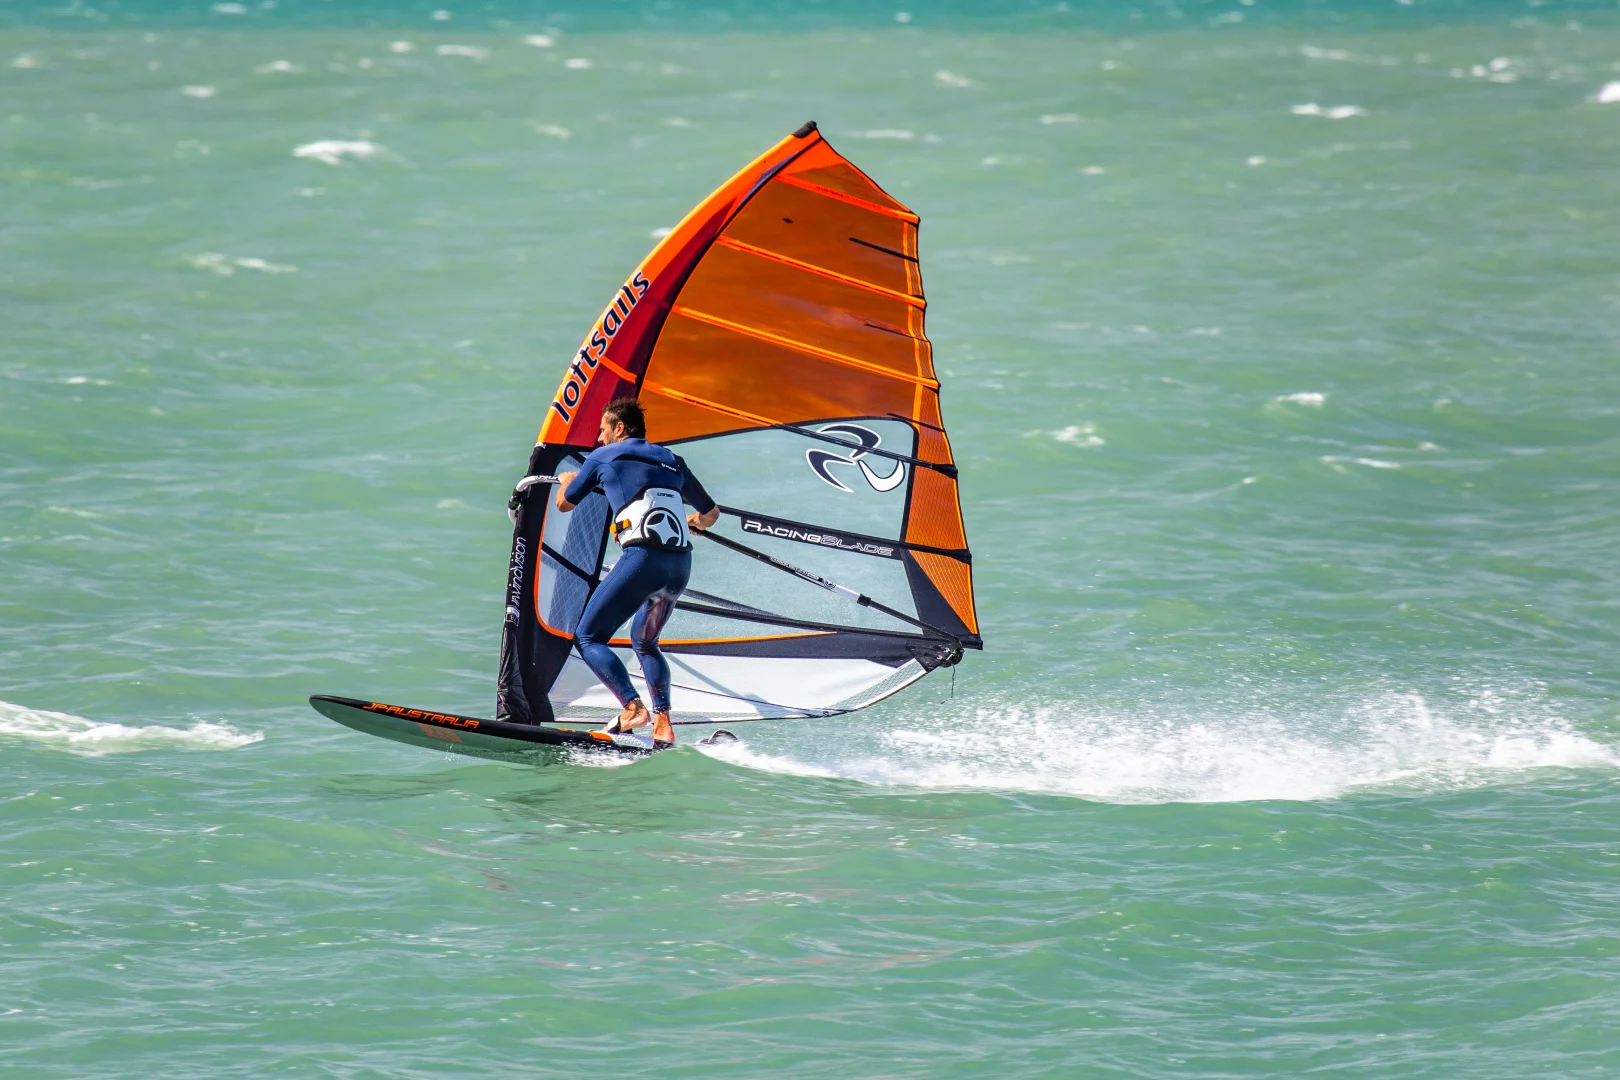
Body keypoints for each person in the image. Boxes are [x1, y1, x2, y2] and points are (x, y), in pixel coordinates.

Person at [555, 398, 719, 744]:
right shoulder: (673, 460)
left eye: (603, 430)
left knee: (589, 637)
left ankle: (633, 708)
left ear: (620, 428)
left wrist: (567, 480)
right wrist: (693, 521)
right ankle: (663, 723)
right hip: (679, 567)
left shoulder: (603, 456)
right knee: (645, 642)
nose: (599, 438)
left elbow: (565, 503)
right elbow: (711, 514)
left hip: (643, 561)